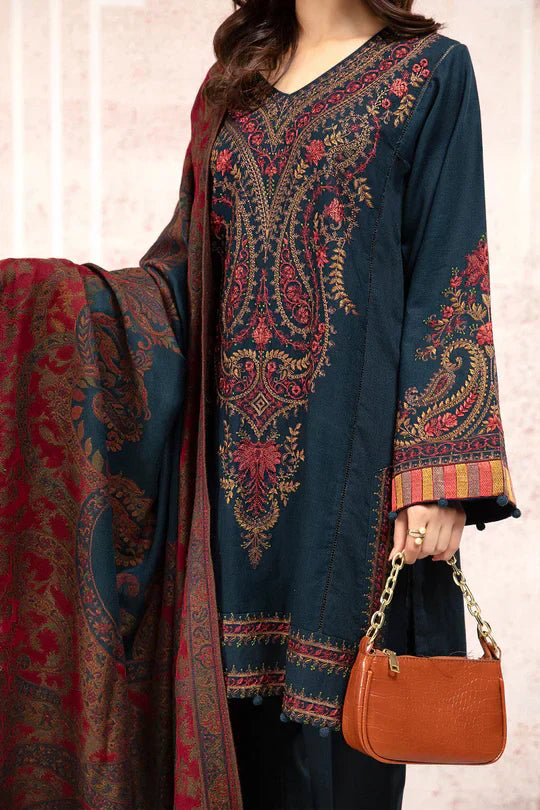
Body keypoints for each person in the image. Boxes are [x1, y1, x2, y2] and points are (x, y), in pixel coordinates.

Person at [0, 0, 520, 807]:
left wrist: (438, 479)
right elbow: (182, 281)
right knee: (231, 761)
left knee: (344, 760)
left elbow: (450, 274)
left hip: (354, 496)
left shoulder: (429, 72)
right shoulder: (231, 83)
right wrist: (54, 302)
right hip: (223, 517)